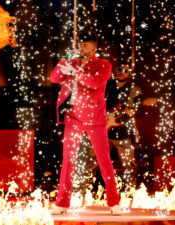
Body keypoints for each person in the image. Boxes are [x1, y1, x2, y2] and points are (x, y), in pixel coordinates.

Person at [49, 32, 121, 215]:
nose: (82, 48)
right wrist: (63, 60)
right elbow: (54, 79)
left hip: (94, 117)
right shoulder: (71, 63)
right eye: (80, 44)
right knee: (68, 159)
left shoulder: (104, 64)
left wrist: (77, 71)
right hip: (73, 117)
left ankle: (114, 202)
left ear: (94, 48)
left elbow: (95, 83)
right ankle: (62, 202)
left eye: (86, 45)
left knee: (103, 159)